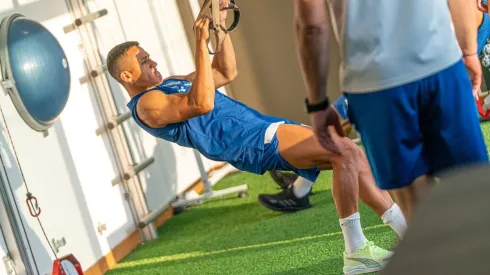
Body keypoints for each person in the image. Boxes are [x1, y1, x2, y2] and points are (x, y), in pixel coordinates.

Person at [105, 13, 406, 275]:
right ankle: (356, 250)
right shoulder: (147, 105)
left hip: (261, 128)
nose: (152, 61)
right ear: (128, 75)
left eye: (148, 56)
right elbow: (202, 103)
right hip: (248, 141)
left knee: (353, 158)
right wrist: (199, 41)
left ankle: (403, 234)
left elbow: (225, 72)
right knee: (347, 152)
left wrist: (219, 28)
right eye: (144, 61)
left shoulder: (168, 83)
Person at [293, 0, 489, 226]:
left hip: (376, 83)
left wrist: (317, 103)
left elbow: (311, 25)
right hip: (442, 64)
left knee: (418, 205)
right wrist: (468, 51)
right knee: (471, 188)